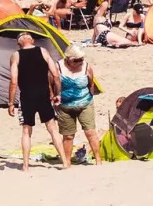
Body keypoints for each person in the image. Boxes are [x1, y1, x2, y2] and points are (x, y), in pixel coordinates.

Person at [6, 33, 61, 173]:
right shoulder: (43, 51)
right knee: (52, 128)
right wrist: (57, 93)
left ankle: (25, 166)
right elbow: (55, 75)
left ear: (19, 44)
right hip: (43, 95)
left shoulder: (16, 56)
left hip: (27, 96)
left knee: (26, 131)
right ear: (32, 40)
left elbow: (13, 81)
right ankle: (65, 162)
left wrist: (11, 103)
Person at [54, 46, 99, 164]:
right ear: (68, 58)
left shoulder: (86, 67)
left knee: (90, 132)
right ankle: (67, 162)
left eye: (82, 59)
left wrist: (90, 97)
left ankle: (98, 161)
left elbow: (91, 84)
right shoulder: (57, 67)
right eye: (77, 60)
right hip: (64, 106)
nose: (80, 62)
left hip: (85, 103)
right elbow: (50, 83)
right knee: (68, 136)